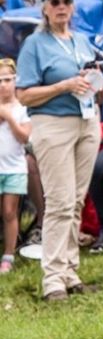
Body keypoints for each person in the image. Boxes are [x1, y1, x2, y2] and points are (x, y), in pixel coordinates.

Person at [14, 0, 103, 301]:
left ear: (73, 7)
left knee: (77, 200)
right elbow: (23, 93)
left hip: (87, 121)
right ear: (45, 8)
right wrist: (64, 85)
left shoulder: (81, 40)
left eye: (67, 1)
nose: (62, 6)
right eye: (56, 2)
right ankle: (53, 279)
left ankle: (70, 270)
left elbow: (89, 75)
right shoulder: (35, 44)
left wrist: (95, 83)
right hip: (52, 124)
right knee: (59, 202)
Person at [0, 59, 30, 274]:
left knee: (10, 211)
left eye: (8, 80)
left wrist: (9, 118)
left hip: (15, 168)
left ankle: (8, 254)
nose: (3, 85)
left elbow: (24, 137)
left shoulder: (23, 109)